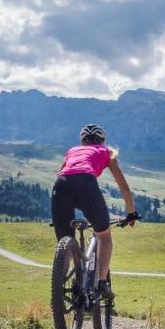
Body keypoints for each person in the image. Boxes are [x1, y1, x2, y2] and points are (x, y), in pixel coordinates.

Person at [51, 124, 138, 301]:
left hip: (60, 187)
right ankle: (101, 283)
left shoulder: (72, 151)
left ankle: (58, 294)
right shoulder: (106, 152)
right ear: (102, 140)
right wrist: (131, 213)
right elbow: (124, 187)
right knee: (104, 236)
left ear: (82, 141)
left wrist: (58, 216)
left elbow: (60, 174)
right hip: (86, 185)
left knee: (64, 242)